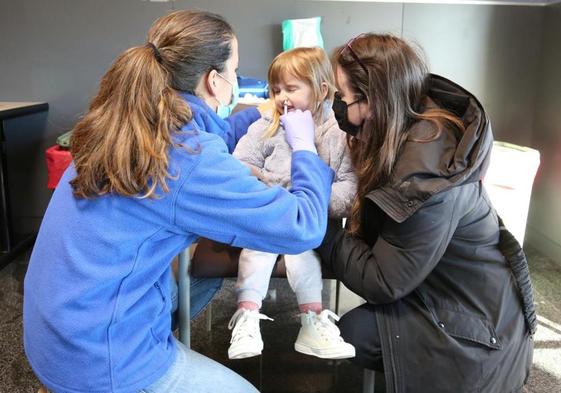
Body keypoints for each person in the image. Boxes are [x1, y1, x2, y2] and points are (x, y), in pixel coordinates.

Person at [23, 10, 334, 393]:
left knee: (201, 277)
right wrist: (305, 149)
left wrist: (256, 118)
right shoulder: (187, 156)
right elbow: (303, 225)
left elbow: (205, 132)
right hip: (98, 357)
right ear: (214, 81)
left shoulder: (121, 123)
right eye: (235, 71)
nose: (237, 81)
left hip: (54, 329)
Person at [317, 33, 536, 392]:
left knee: (350, 334)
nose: (337, 104)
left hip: (481, 335)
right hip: (448, 295)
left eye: (342, 94)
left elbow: (382, 282)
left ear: (373, 100)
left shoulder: (424, 175)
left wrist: (323, 232)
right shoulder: (409, 128)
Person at [227, 47, 356, 361]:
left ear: (321, 90)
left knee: (302, 252)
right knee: (258, 248)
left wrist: (309, 202)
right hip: (269, 217)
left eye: (291, 88)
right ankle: (247, 314)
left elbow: (348, 190)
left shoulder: (337, 135)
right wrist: (269, 191)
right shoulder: (266, 126)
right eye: (276, 90)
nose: (282, 97)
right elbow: (237, 168)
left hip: (311, 225)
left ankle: (311, 320)